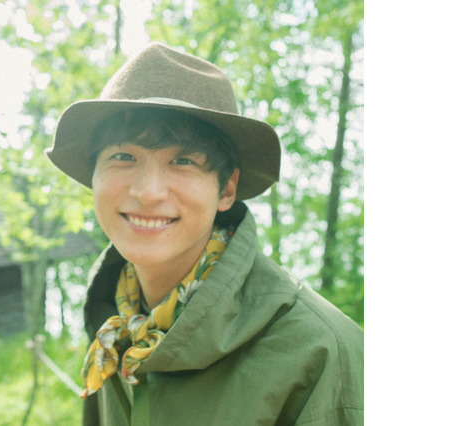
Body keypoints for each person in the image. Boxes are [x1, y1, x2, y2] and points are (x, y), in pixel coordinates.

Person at [47, 42, 364, 426]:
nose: (148, 192)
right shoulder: (113, 328)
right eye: (123, 157)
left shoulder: (321, 353)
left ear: (226, 189)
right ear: (93, 176)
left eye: (182, 161)